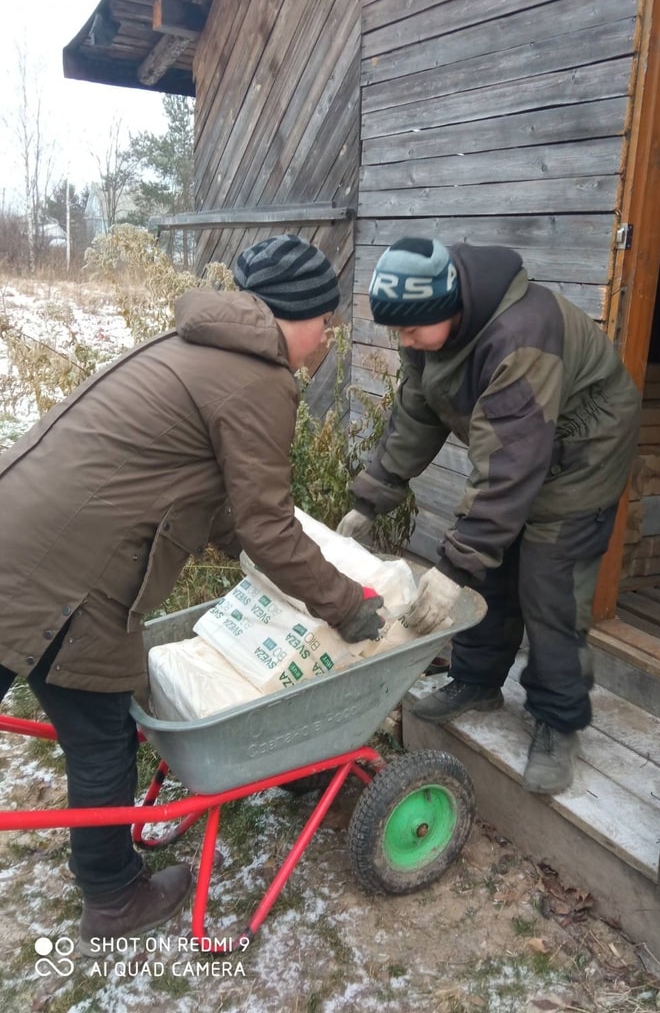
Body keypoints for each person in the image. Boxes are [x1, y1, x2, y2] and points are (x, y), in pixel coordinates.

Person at [0, 234, 385, 954]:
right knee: (102, 733)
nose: (327, 337)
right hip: (67, 572)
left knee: (96, 725)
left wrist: (277, 558)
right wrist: (347, 604)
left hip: (18, 534)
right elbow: (266, 525)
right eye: (325, 321)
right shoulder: (258, 379)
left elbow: (219, 505)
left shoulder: (197, 348)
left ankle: (108, 875)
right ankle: (114, 897)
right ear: (294, 315)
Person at [337, 238, 641, 794]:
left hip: (582, 449)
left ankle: (558, 719)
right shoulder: (426, 329)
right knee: (493, 570)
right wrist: (372, 497)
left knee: (549, 583)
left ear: (451, 308)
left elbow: (508, 467)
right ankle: (475, 680)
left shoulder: (519, 336)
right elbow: (417, 411)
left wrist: (452, 568)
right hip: (523, 443)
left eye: (410, 331)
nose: (404, 342)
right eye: (397, 332)